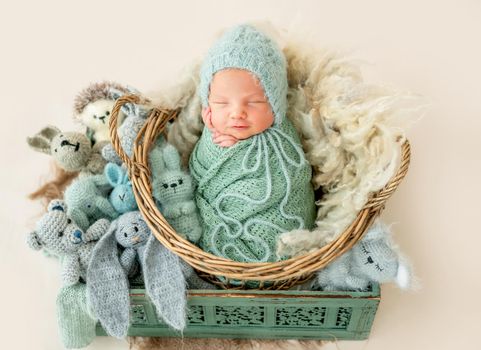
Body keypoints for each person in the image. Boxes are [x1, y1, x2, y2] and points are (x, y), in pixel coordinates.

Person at [189, 24, 316, 263]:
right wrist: (213, 142)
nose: (237, 113)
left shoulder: (284, 141)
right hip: (218, 252)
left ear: (276, 105)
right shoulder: (210, 135)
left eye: (254, 102)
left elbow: (293, 184)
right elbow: (197, 177)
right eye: (222, 103)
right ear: (207, 106)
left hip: (282, 249)